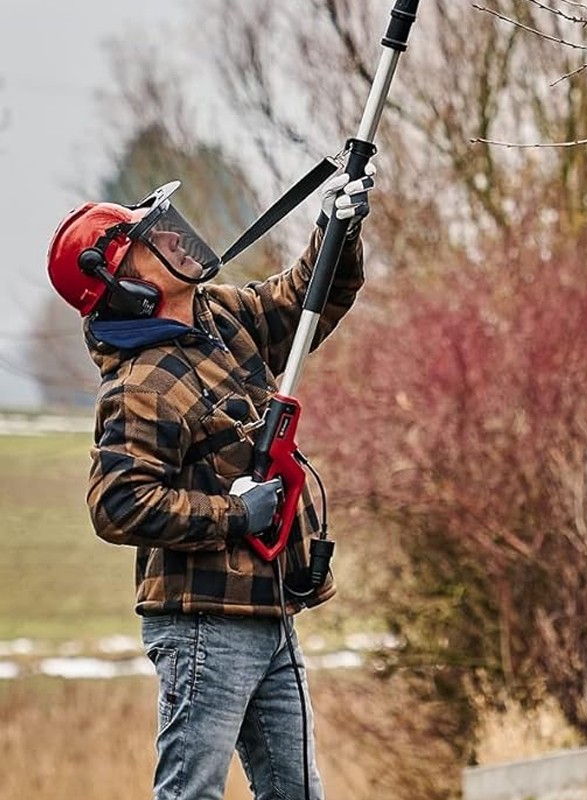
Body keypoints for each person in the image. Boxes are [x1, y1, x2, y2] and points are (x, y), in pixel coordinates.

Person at [46, 165, 375, 800]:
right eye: (153, 242)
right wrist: (233, 514)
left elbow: (302, 301)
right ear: (130, 285)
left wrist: (339, 228)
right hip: (204, 624)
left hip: (268, 609)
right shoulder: (140, 383)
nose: (173, 240)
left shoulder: (219, 320)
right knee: (191, 793)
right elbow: (116, 504)